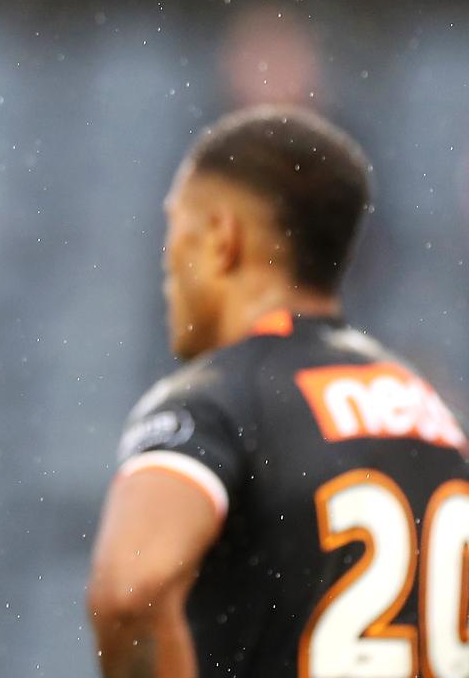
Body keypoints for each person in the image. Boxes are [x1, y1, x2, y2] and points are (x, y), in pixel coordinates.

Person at [88, 106, 469, 677]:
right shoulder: (432, 414)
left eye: (176, 229)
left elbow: (130, 587)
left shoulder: (217, 398)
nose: (168, 264)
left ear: (222, 238)